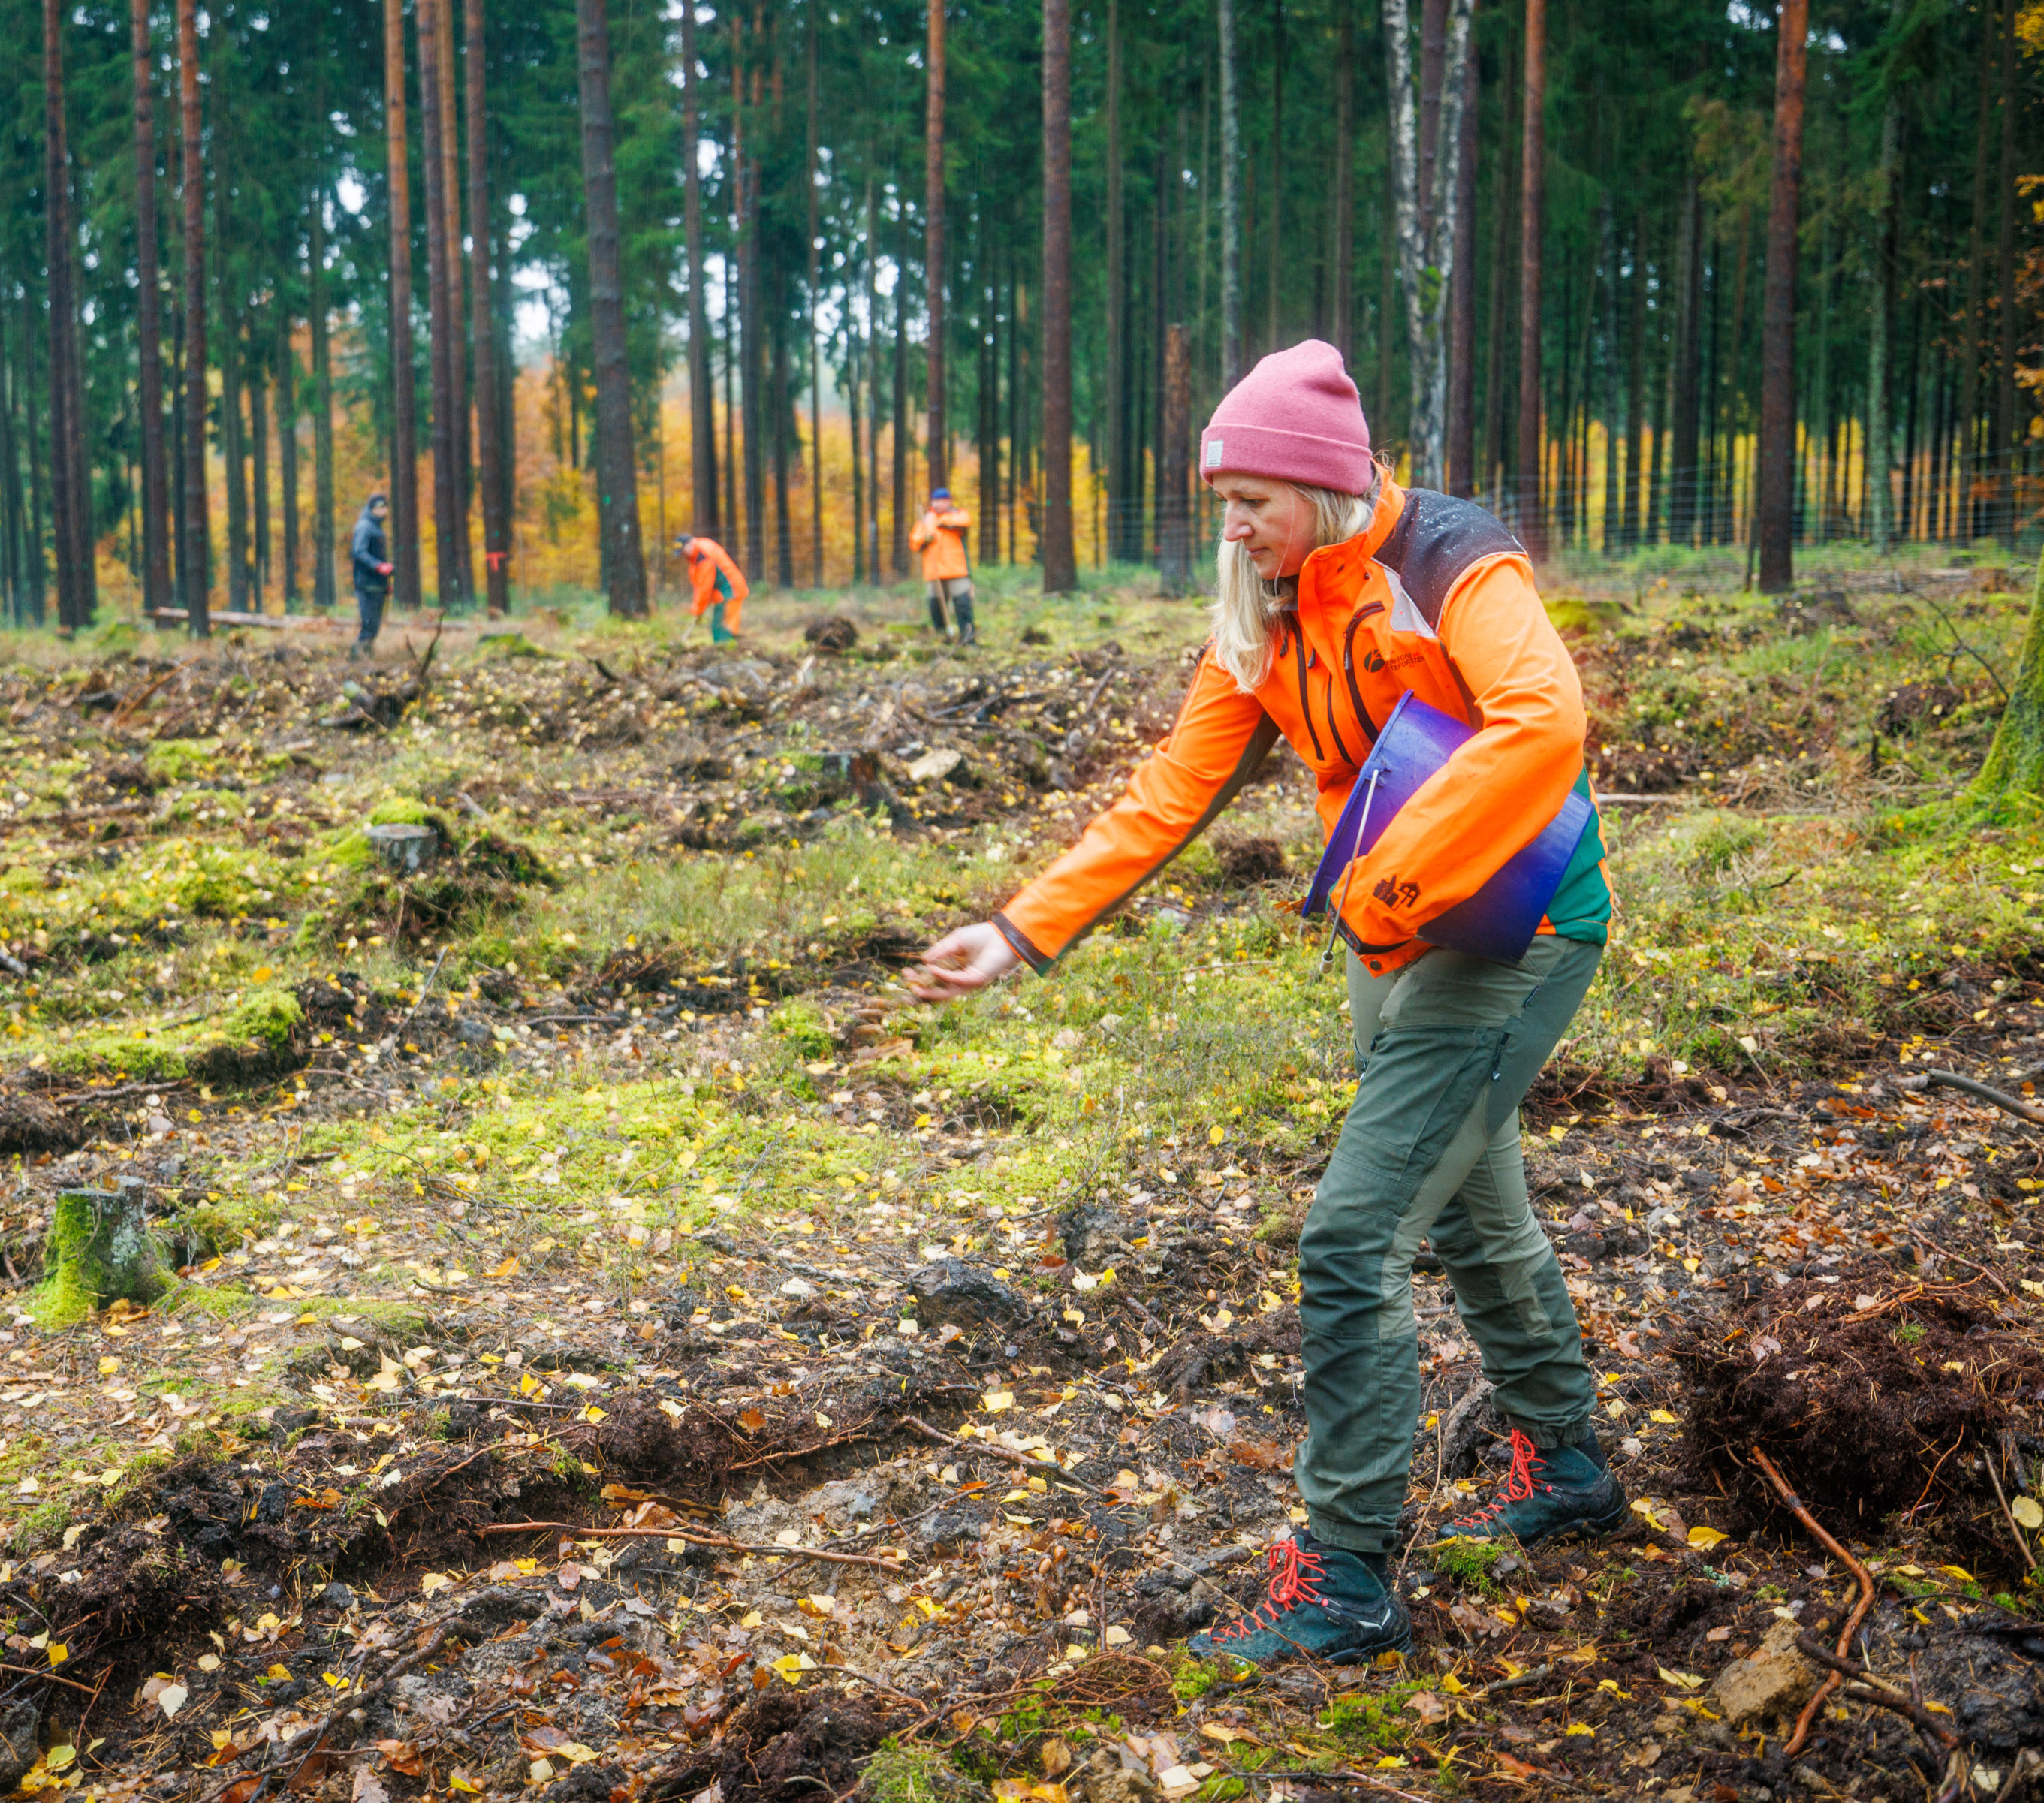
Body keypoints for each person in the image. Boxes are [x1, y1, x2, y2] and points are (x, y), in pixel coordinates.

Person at [905, 339, 1620, 1669]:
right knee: (1469, 1204)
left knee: (1352, 1239)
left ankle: (1344, 1576)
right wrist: (1021, 929)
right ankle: (1568, 1460)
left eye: (1252, 500)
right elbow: (1174, 786)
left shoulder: (1453, 560)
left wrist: (1393, 878)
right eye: (1221, 499)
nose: (1230, 525)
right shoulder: (1267, 604)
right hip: (1393, 931)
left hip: (1514, 930)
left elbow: (1545, 718)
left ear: (1324, 485)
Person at [910, 487, 975, 644]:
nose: (938, 504)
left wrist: (941, 522)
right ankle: (942, 638)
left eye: (941, 501)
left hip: (957, 570)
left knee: (963, 605)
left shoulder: (958, 514)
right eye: (935, 501)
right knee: (936, 607)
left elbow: (965, 522)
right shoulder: (925, 520)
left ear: (949, 501)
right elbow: (914, 540)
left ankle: (968, 638)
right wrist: (925, 539)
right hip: (935, 572)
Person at [677, 533, 749, 642]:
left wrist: (698, 610)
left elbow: (704, 587)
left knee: (721, 627)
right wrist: (698, 608)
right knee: (721, 626)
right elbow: (699, 584)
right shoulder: (698, 553)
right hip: (725, 593)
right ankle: (728, 651)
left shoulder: (702, 555)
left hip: (730, 592)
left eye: (683, 551)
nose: (683, 555)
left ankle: (726, 653)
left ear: (689, 544)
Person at [348, 493, 394, 659]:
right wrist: (378, 566)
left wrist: (385, 583)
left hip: (377, 586)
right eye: (378, 507)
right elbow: (359, 552)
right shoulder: (365, 526)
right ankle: (356, 659)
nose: (382, 510)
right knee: (369, 625)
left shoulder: (377, 528)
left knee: (374, 626)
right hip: (366, 585)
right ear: (372, 508)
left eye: (384, 507)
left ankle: (367, 659)